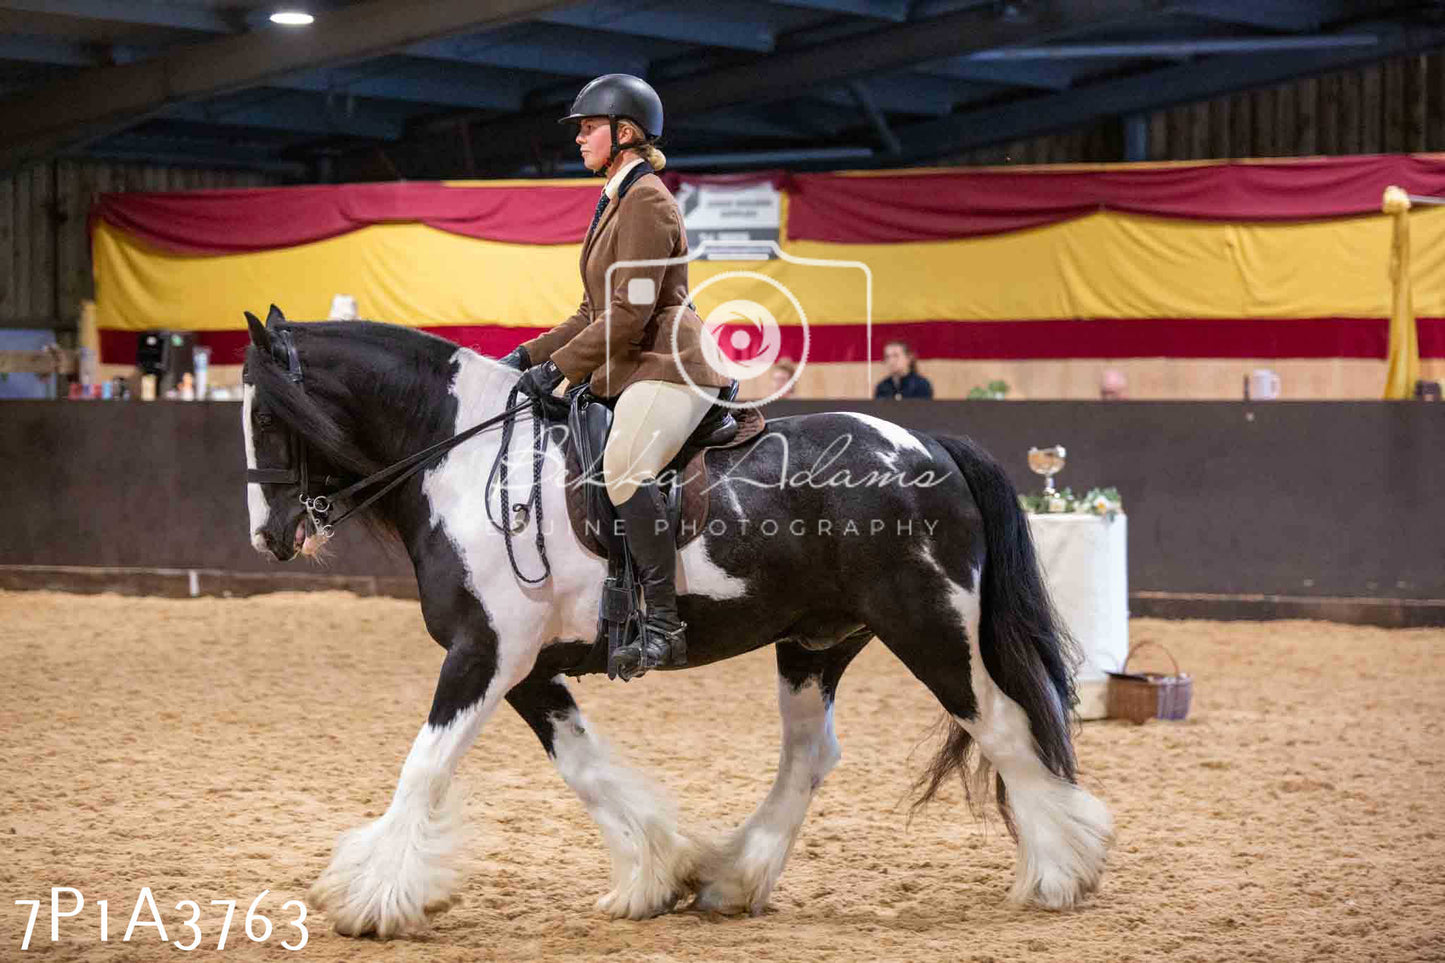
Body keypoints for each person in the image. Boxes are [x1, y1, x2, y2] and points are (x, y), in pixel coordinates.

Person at [498, 74, 731, 680]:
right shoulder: (614, 201)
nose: (579, 139)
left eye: (588, 127)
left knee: (626, 466)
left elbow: (630, 314)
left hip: (665, 361)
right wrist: (524, 359)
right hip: (629, 361)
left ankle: (662, 621)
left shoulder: (648, 200)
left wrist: (559, 370)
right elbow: (591, 312)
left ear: (623, 134)